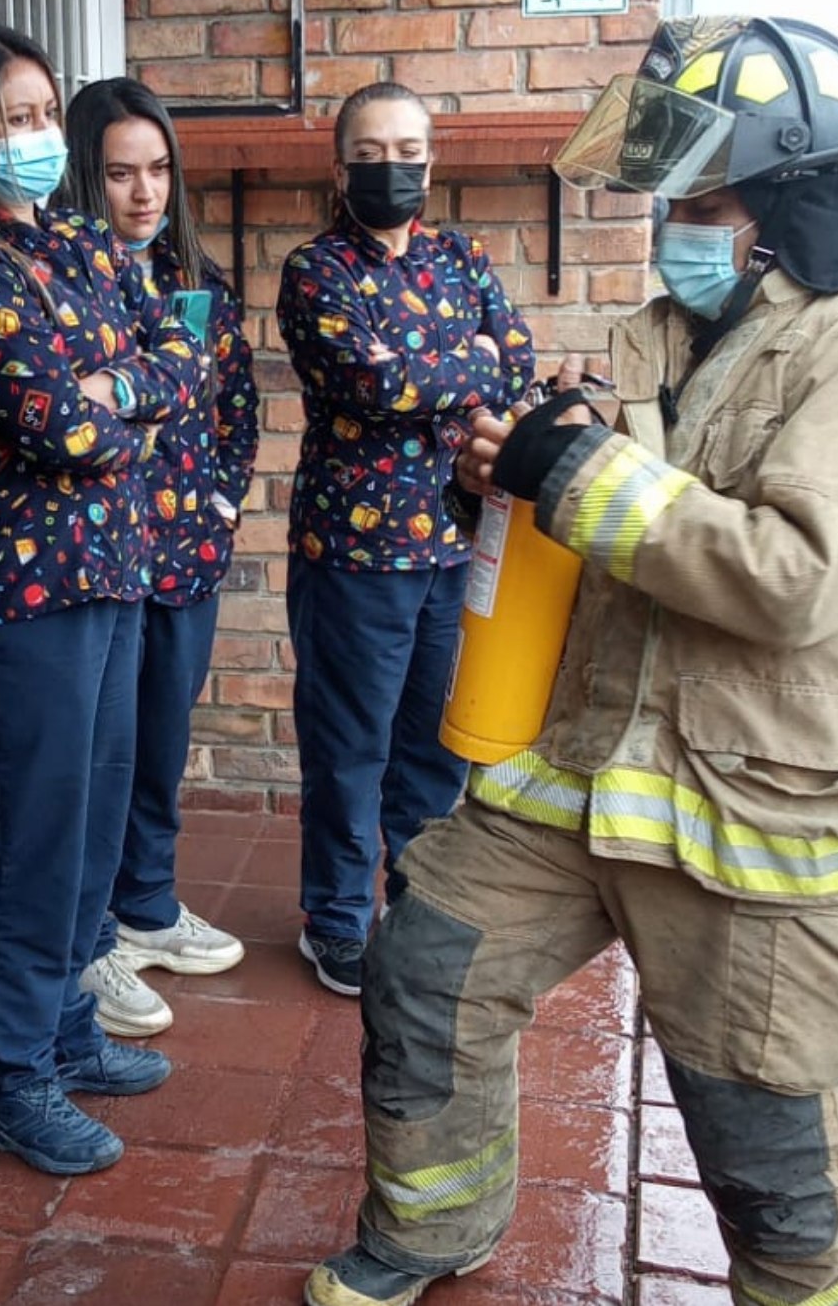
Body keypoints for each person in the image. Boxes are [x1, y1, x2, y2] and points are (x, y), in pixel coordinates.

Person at [306, 17, 838, 1306]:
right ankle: (430, 1226)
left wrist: (576, 473)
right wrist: (513, 476)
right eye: (669, 198)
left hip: (761, 811)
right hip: (588, 769)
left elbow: (792, 577)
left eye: (703, 202)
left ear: (789, 206)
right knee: (425, 970)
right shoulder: (666, 335)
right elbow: (608, 527)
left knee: (760, 1128)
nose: (673, 224)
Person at [0, 26, 204, 1176]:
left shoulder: (73, 239)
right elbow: (64, 432)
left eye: (42, 113)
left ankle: (67, 1028)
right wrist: (119, 397)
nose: (35, 136)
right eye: (12, 118)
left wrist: (110, 384)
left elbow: (179, 352)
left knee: (87, 827)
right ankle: (10, 1079)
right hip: (14, 601)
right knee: (27, 843)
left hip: (108, 576)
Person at [276, 82, 538, 997]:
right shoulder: (315, 270)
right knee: (350, 750)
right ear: (339, 169)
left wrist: (442, 367)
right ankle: (337, 922)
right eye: (369, 154)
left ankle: (417, 905)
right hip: (354, 555)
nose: (390, 168)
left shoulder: (461, 257)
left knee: (433, 747)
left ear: (431, 162)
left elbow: (518, 359)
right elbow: (370, 384)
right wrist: (467, 363)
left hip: (454, 547)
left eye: (406, 151)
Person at [54, 76, 258, 1039]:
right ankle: (92, 938)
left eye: (160, 170)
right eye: (119, 173)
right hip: (101, 562)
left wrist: (219, 503)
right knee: (102, 756)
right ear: (82, 177)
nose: (144, 192)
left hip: (185, 555)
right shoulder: (67, 287)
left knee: (161, 741)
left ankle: (147, 902)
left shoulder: (195, 280)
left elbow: (237, 404)